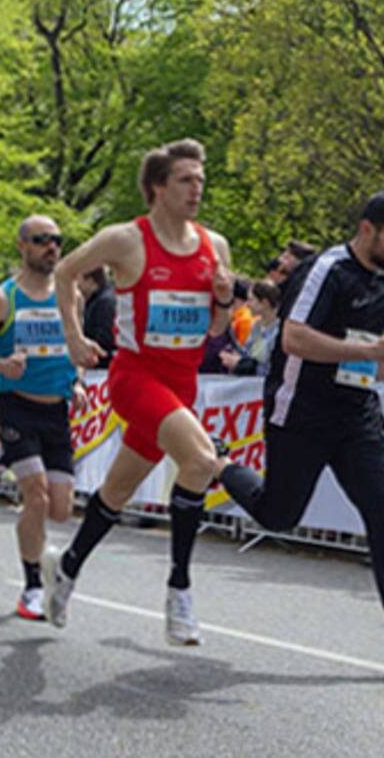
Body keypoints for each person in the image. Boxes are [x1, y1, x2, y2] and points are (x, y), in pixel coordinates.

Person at [218, 193, 384, 674]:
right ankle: (219, 464)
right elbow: (294, 338)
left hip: (356, 414)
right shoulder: (326, 269)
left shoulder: (380, 280)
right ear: (367, 229)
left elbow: (364, 344)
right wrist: (372, 355)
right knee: (280, 514)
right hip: (302, 410)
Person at [44, 138, 233, 646]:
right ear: (157, 188)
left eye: (200, 180)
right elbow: (64, 271)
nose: (197, 189)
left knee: (118, 490)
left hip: (182, 383)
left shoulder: (215, 247)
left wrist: (223, 300)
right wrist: (73, 337)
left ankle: (67, 567)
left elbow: (216, 331)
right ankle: (180, 591)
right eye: (185, 180)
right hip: (135, 378)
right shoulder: (126, 240)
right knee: (200, 460)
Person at [0, 216, 81, 621]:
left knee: (61, 509)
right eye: (41, 239)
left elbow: (75, 348)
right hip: (16, 405)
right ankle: (31, 587)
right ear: (22, 246)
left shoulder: (70, 296)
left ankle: (43, 559)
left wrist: (79, 383)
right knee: (37, 494)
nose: (51, 247)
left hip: (56, 409)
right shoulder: (4, 299)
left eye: (57, 240)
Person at [78, 268, 117, 368]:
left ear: (90, 280)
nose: (76, 285)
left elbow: (104, 341)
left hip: (101, 367)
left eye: (77, 279)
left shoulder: (104, 303)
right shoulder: (97, 299)